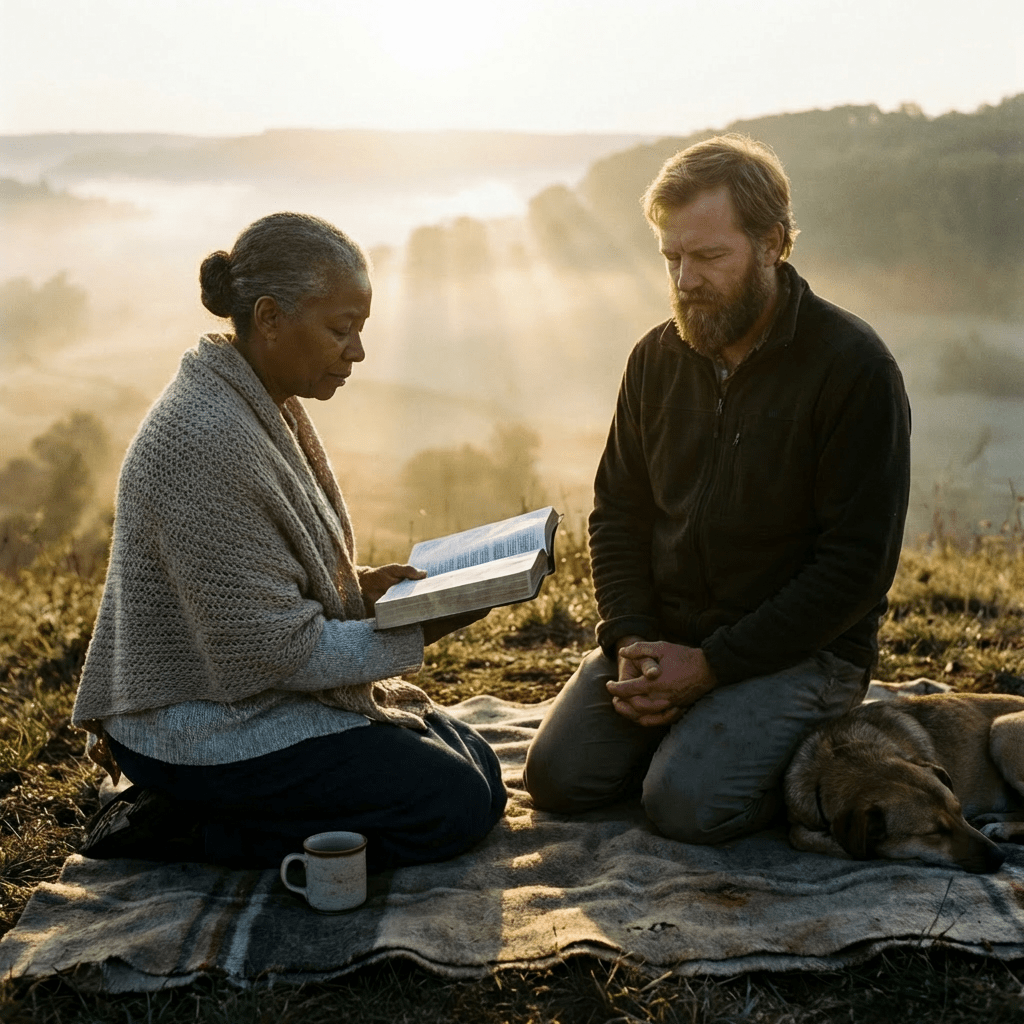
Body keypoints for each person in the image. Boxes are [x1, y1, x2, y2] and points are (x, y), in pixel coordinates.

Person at [73, 212, 506, 872]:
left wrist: (356, 586)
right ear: (270, 317)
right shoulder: (206, 441)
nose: (356, 352)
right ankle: (191, 828)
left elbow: (257, 576)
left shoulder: (257, 398)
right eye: (341, 330)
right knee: (455, 804)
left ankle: (223, 813)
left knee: (479, 767)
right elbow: (280, 654)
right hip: (196, 726)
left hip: (250, 695)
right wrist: (427, 625)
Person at [524, 135, 911, 845]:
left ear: (773, 244)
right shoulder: (655, 359)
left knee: (684, 806)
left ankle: (769, 749)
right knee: (557, 780)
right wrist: (631, 639)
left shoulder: (854, 369)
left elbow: (855, 567)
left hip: (806, 651)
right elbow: (618, 514)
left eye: (709, 257)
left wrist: (712, 668)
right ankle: (692, 730)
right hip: (668, 635)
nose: (685, 280)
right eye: (671, 257)